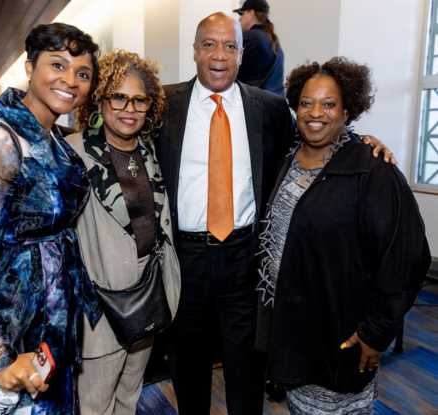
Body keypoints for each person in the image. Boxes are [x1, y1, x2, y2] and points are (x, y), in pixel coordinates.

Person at [157, 13, 394, 415]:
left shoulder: (268, 109)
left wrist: (362, 142)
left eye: (230, 46)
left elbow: (312, 141)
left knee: (246, 369)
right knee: (188, 366)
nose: (219, 55)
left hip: (246, 262)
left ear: (242, 53)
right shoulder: (164, 105)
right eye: (210, 44)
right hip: (183, 260)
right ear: (195, 50)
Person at [255, 57, 431, 414]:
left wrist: (375, 332)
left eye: (328, 103)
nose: (315, 112)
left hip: (339, 335)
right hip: (292, 330)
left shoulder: (371, 169)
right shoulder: (286, 158)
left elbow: (406, 258)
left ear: (348, 109)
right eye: (306, 102)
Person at [0, 23, 99, 413]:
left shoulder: (55, 140)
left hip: (50, 322)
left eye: (82, 73)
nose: (70, 81)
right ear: (29, 68)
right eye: (57, 65)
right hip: (6, 328)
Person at [66, 50, 181, 415]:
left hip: (148, 295)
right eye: (118, 96)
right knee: (94, 405)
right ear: (100, 98)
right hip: (100, 307)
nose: (128, 108)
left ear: (150, 105)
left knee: (130, 395)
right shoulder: (72, 154)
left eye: (139, 99)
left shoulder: (150, 151)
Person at [234, 0, 285, 95]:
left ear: (251, 12)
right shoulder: (274, 41)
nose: (239, 19)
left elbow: (230, 72)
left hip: (257, 105)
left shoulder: (251, 38)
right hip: (276, 104)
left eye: (242, 14)